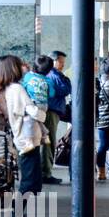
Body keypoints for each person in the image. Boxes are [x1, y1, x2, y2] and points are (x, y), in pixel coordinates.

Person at [0, 56, 45, 197]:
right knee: (29, 181)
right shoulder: (17, 88)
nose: (24, 67)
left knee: (32, 180)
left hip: (23, 138)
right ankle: (16, 213)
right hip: (27, 139)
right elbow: (32, 110)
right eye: (21, 64)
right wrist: (43, 114)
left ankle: (22, 213)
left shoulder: (10, 88)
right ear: (14, 68)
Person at [46, 51, 72, 182]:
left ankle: (46, 171)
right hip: (52, 110)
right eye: (61, 62)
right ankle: (46, 173)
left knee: (48, 141)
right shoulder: (54, 74)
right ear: (53, 61)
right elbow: (66, 89)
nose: (62, 65)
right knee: (49, 141)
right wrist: (66, 79)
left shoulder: (49, 73)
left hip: (52, 109)